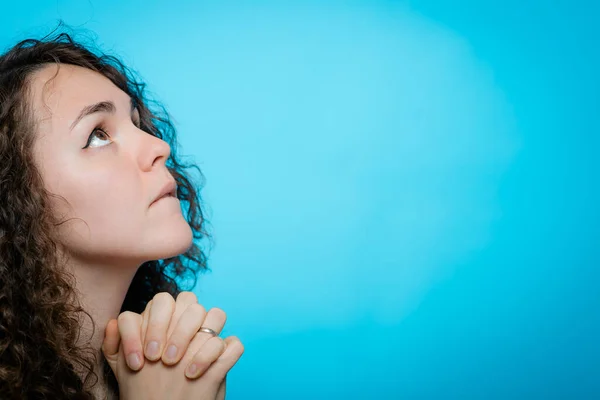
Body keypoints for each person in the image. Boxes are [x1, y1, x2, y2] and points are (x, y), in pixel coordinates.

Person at [0, 24, 243, 399]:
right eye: (97, 134)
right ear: (15, 192)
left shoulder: (166, 370)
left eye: (135, 122)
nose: (158, 145)